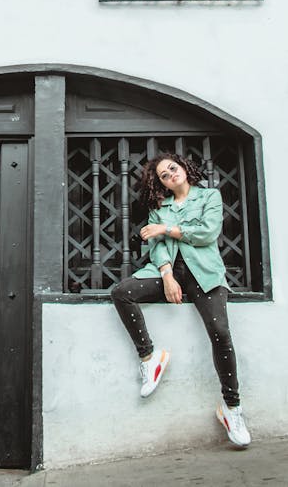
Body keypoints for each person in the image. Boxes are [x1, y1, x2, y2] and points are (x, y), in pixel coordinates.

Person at [110, 153, 251, 448]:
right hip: (171, 273)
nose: (170, 175)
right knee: (122, 292)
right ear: (159, 183)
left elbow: (208, 232)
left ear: (184, 168)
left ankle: (232, 408)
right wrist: (166, 275)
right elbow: (158, 247)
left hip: (205, 274)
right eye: (163, 175)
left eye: (172, 168)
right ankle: (150, 357)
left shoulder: (209, 196)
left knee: (220, 333)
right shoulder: (159, 208)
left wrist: (166, 229)